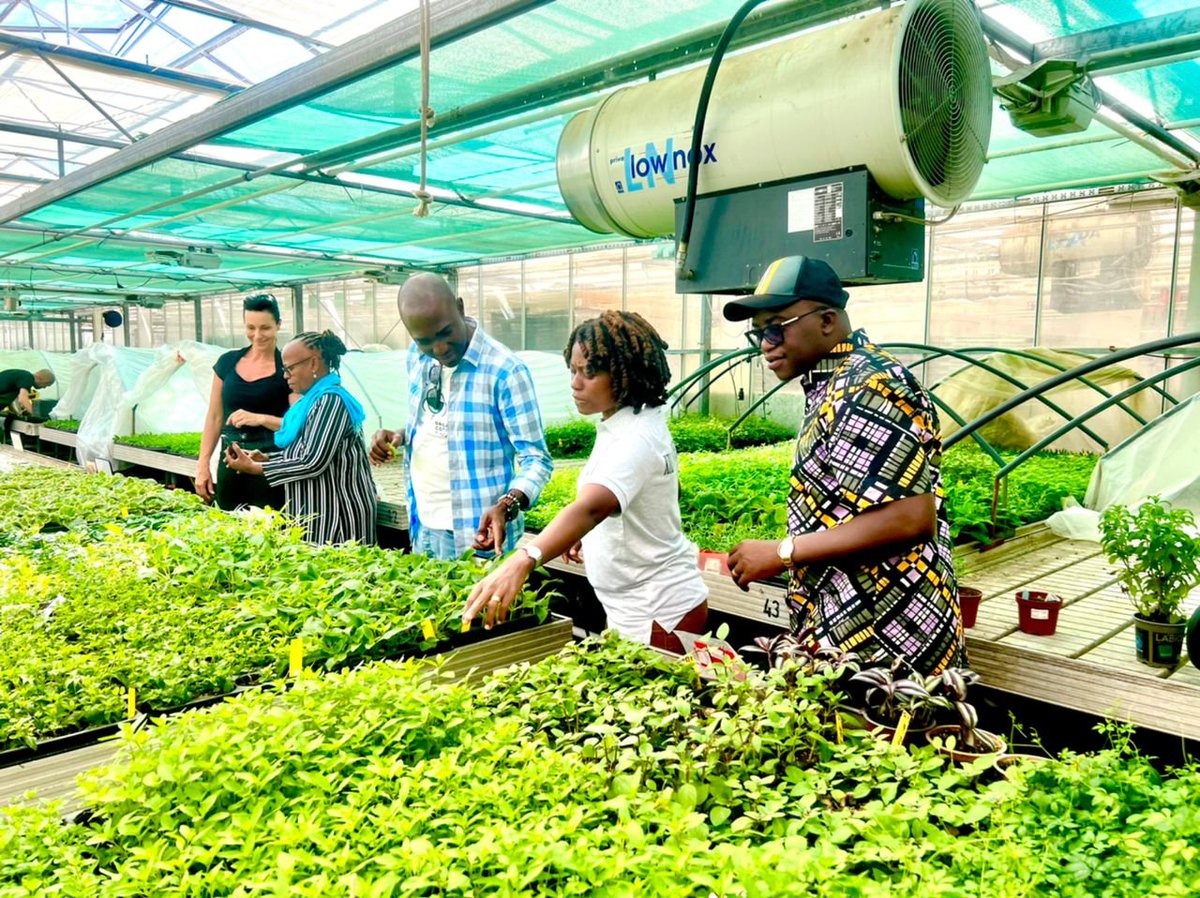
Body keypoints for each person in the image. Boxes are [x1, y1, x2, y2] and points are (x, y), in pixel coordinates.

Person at [724, 256, 963, 675]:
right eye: (758, 332)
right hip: (857, 621)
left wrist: (783, 552)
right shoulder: (835, 382)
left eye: (776, 327)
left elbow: (908, 517)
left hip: (888, 635)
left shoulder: (866, 385)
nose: (765, 343)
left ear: (827, 321)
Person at [463, 311, 708, 651]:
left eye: (589, 372)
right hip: (637, 605)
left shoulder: (635, 438)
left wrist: (523, 559)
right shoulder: (628, 422)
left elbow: (591, 508)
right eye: (573, 370)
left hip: (658, 611)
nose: (575, 383)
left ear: (625, 373)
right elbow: (648, 499)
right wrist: (594, 537)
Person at [369, 273, 552, 560]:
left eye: (445, 333)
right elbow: (434, 421)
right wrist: (399, 435)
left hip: (480, 537)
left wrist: (507, 504)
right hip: (422, 526)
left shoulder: (505, 371)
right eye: (425, 341)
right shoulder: (418, 357)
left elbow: (537, 460)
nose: (439, 349)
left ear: (460, 307)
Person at [224, 331, 376, 546]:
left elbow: (312, 461)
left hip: (337, 516)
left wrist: (256, 468)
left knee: (339, 564)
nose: (285, 376)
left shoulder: (330, 401)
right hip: (318, 513)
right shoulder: (310, 403)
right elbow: (304, 450)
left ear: (313, 363)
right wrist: (266, 458)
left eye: (289, 368)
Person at [196, 294, 291, 511]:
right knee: (228, 523)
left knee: (271, 525)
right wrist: (203, 463)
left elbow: (298, 425)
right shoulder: (227, 363)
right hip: (230, 459)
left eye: (265, 328)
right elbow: (215, 417)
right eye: (251, 328)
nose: (257, 335)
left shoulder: (288, 368)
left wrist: (260, 419)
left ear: (278, 325)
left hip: (269, 462)